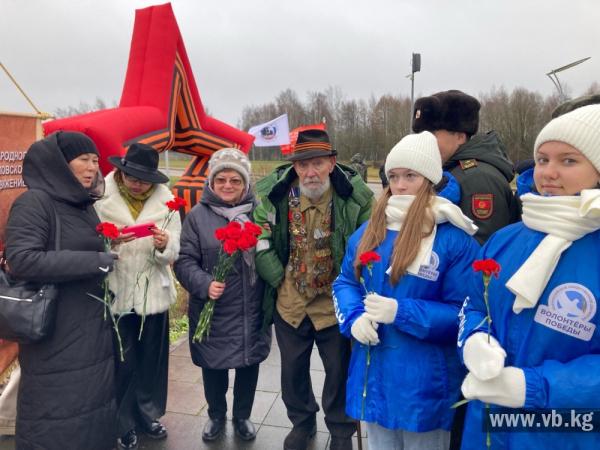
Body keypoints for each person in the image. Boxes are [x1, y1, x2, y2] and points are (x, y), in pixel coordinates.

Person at [458, 104, 600, 449]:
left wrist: (535, 387)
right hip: (487, 427)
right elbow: (473, 306)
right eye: (542, 159)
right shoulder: (506, 239)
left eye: (568, 161)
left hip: (565, 433)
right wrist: (474, 340)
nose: (548, 172)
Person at [333, 131, 480, 450]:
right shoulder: (370, 230)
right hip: (374, 376)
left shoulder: (453, 238)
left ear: (429, 179)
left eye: (410, 176)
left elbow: (466, 313)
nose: (399, 185)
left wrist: (402, 312)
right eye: (394, 176)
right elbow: (345, 281)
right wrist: (354, 317)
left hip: (424, 385)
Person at [253, 129, 374, 450]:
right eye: (303, 165)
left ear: (332, 163)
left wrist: (352, 290)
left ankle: (341, 430)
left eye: (318, 163)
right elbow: (260, 239)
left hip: (334, 305)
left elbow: (368, 246)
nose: (310, 172)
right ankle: (302, 422)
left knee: (338, 370)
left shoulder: (356, 199)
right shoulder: (275, 196)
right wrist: (278, 279)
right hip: (290, 303)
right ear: (295, 167)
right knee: (292, 371)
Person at [4, 131, 117, 450]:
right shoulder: (34, 202)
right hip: (56, 330)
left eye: (95, 160)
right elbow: (22, 260)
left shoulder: (82, 204)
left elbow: (73, 247)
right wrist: (96, 262)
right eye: (83, 159)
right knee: (55, 413)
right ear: (59, 163)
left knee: (89, 412)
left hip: (90, 327)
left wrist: (107, 245)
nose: (92, 167)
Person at [174, 148, 271, 443]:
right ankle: (216, 415)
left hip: (251, 306)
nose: (228, 185)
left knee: (248, 363)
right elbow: (184, 260)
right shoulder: (197, 217)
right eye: (221, 180)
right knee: (213, 365)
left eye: (235, 180)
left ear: (245, 183)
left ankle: (242, 416)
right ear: (211, 182)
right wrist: (204, 284)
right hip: (213, 308)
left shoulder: (260, 213)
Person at [94, 143, 181, 450]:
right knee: (122, 362)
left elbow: (175, 247)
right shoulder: (100, 196)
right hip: (116, 292)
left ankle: (148, 414)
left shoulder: (167, 201)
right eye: (131, 176)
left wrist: (164, 244)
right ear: (121, 171)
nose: (137, 183)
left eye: (144, 179)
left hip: (152, 293)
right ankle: (123, 422)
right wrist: (111, 243)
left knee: (151, 361)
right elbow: (89, 243)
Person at [412, 90, 520, 244]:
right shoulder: (448, 170)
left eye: (432, 134)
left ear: (460, 137)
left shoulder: (478, 178)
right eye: (420, 135)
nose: (424, 141)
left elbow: (482, 248)